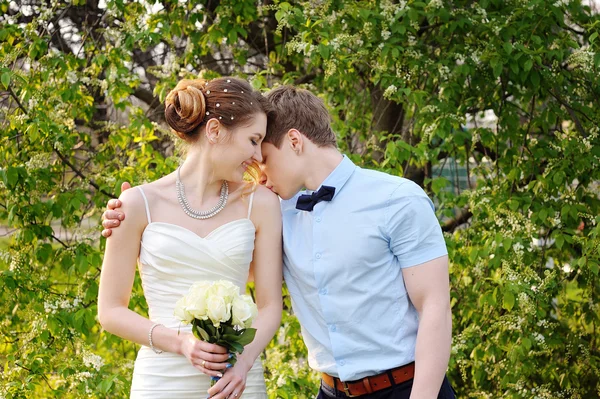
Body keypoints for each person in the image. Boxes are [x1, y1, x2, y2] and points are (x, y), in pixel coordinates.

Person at [103, 85, 455, 399]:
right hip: (329, 389)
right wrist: (132, 223)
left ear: (295, 142)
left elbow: (435, 308)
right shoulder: (276, 208)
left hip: (407, 387)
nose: (258, 167)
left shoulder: (397, 199)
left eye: (264, 153)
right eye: (253, 145)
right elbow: (226, 271)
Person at [97, 77, 283, 399]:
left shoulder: (260, 203)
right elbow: (110, 311)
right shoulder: (137, 204)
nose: (257, 155)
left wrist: (242, 364)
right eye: (253, 140)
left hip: (236, 380)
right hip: (162, 379)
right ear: (214, 131)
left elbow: (269, 305)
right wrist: (183, 343)